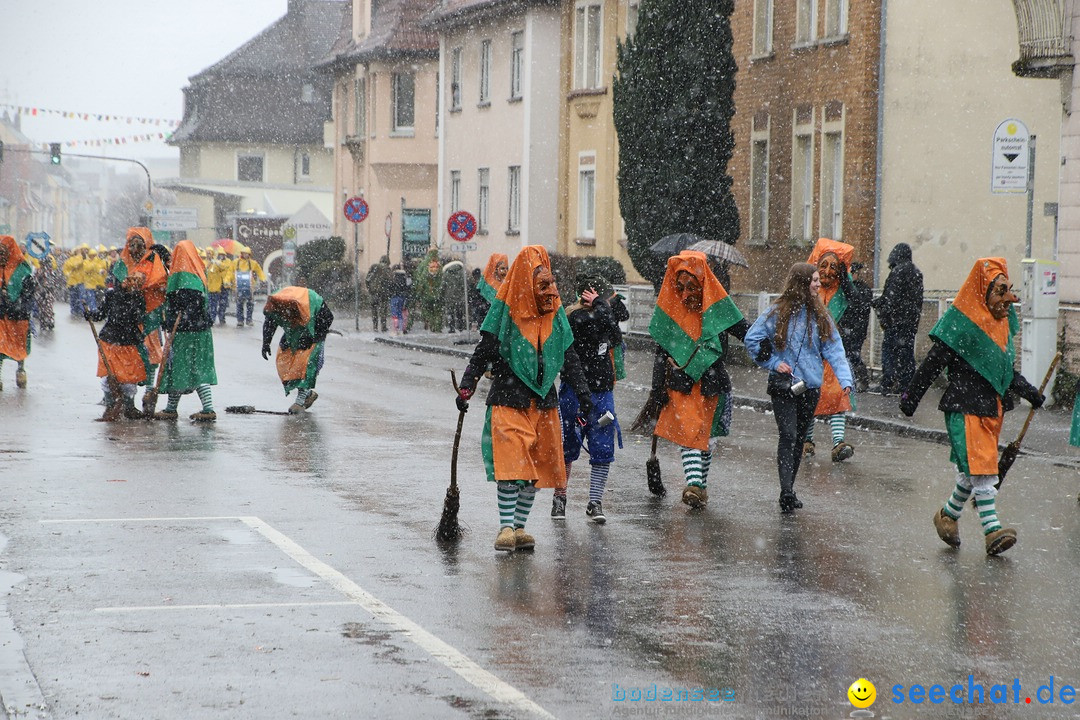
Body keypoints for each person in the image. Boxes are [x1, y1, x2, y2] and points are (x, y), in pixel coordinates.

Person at [900, 258, 1043, 556]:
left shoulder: (1001, 327)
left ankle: (947, 516)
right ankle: (992, 532)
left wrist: (1030, 392)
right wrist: (911, 396)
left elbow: (1004, 371)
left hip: (991, 408)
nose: (1007, 299)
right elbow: (933, 363)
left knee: (972, 471)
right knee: (982, 469)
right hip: (964, 405)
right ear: (983, 292)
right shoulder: (962, 326)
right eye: (1000, 290)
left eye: (1009, 290)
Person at [455, 246, 592, 552]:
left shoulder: (556, 316)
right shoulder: (505, 310)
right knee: (512, 464)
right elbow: (484, 349)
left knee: (534, 468)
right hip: (509, 398)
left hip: (543, 403)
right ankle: (505, 527)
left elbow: (569, 357)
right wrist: (468, 385)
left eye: (551, 284)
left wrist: (584, 394)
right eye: (542, 285)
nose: (550, 292)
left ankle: (519, 528)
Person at [636, 251, 748, 509]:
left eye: (692, 287)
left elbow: (745, 331)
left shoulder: (718, 310)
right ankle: (694, 483)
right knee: (689, 434)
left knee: (706, 438)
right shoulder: (672, 313)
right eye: (680, 287)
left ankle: (700, 487)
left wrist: (770, 347)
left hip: (712, 383)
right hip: (681, 384)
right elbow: (661, 352)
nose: (685, 294)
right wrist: (657, 390)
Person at [744, 263, 854, 513]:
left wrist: (845, 380)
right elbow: (752, 339)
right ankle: (785, 491)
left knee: (799, 440)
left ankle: (789, 489)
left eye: (818, 280)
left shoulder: (821, 315)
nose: (818, 284)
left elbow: (834, 349)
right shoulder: (777, 311)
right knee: (788, 435)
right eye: (814, 280)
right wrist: (773, 362)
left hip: (810, 387)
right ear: (801, 283)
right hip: (783, 387)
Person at [553, 275, 626, 522]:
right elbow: (605, 326)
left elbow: (616, 336)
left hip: (603, 391)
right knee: (568, 445)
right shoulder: (574, 316)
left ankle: (595, 501)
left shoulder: (602, 315)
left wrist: (602, 307)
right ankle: (560, 497)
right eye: (599, 294)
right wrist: (600, 306)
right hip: (574, 391)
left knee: (603, 445)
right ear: (589, 293)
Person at [803, 238, 858, 462]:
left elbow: (857, 306)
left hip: (832, 356)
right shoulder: (809, 291)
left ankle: (838, 442)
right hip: (809, 355)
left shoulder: (843, 294)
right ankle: (807, 440)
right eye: (823, 265)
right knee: (810, 397)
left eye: (833, 267)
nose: (827, 271)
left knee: (837, 396)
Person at [154, 240, 218, 422]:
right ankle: (193, 408)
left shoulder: (182, 276)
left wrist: (174, 320)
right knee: (193, 368)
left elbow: (187, 305)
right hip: (201, 331)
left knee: (181, 368)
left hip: (185, 333)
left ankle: (185, 408)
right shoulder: (198, 273)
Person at [86, 265, 150, 420]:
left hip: (129, 343)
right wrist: (90, 315)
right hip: (109, 341)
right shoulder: (112, 295)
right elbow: (101, 314)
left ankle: (129, 406)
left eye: (132, 280)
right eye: (126, 280)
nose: (128, 283)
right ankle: (111, 406)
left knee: (128, 377)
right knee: (110, 376)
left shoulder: (138, 297)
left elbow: (139, 318)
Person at [261, 286, 334, 413]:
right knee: (285, 360)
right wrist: (266, 342)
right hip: (294, 331)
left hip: (314, 329)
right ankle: (308, 394)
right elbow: (270, 322)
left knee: (306, 364)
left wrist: (314, 337)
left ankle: (300, 401)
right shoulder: (277, 302)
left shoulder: (310, 303)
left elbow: (328, 318)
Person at [871, 242, 923, 395]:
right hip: (910, 323)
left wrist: (882, 311)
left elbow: (890, 298)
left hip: (896, 322)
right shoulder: (916, 272)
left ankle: (888, 382)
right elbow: (914, 300)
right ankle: (906, 385)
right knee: (906, 354)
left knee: (889, 352)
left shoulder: (898, 272)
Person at [0, 236, 35, 391]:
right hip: (1, 316)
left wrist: (18, 305)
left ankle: (21, 369)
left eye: (3, 252)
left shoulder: (22, 269)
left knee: (19, 346)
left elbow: (29, 293)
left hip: (18, 317)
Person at [845, 262, 873, 393]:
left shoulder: (862, 289)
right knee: (849, 354)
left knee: (853, 354)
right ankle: (854, 379)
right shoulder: (848, 288)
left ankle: (861, 380)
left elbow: (860, 307)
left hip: (857, 328)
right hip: (849, 328)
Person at [231, 246, 266, 327]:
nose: (245, 255)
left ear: (249, 254)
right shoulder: (235, 262)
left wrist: (263, 278)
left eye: (247, 254)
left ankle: (249, 320)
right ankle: (240, 320)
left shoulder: (253, 263)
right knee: (239, 304)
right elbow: (229, 272)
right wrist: (227, 281)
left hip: (250, 287)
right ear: (241, 254)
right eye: (244, 253)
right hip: (238, 287)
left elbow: (259, 271)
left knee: (250, 304)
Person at [473, 253, 508, 327]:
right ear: (495, 269)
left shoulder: (508, 284)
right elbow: (480, 305)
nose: (505, 271)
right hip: (489, 324)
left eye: (507, 268)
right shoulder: (485, 285)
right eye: (502, 268)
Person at [414, 250, 444, 332]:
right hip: (438, 296)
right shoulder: (440, 266)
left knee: (427, 312)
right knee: (438, 313)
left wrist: (418, 295)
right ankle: (437, 328)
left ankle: (432, 324)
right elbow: (444, 282)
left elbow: (419, 281)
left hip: (426, 295)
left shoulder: (424, 265)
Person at [365, 256, 392, 332]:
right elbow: (390, 281)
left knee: (374, 310)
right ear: (387, 262)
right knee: (383, 311)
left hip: (373, 293)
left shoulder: (373, 267)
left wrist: (370, 289)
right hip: (383, 294)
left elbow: (367, 280)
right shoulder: (387, 269)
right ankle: (383, 327)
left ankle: (375, 327)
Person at [206, 250, 231, 326]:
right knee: (212, 305)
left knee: (221, 304)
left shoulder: (222, 263)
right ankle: (212, 319)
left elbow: (227, 270)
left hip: (221, 287)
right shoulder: (210, 263)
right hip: (212, 287)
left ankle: (220, 318)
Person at [442, 261, 468, 333]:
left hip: (449, 296)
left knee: (450, 313)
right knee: (459, 312)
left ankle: (452, 328)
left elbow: (443, 286)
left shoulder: (447, 273)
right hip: (460, 296)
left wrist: (442, 294)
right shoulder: (461, 273)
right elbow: (465, 285)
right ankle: (460, 327)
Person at [63, 244, 88, 317]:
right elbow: (68, 269)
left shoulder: (84, 258)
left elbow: (85, 266)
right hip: (72, 282)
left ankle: (81, 311)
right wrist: (69, 274)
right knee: (73, 298)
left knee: (81, 297)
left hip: (81, 281)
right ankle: (74, 311)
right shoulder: (69, 260)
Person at [389, 263, 411, 335]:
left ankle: (395, 329)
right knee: (400, 314)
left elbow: (389, 287)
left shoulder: (393, 277)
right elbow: (409, 287)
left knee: (394, 314)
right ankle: (401, 329)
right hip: (402, 298)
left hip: (394, 297)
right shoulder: (405, 277)